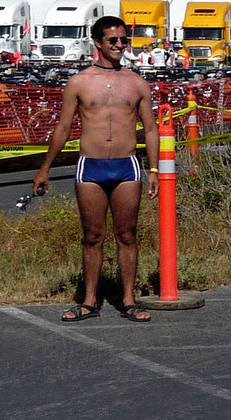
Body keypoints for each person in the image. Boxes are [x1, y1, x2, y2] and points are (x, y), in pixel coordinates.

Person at [33, 16, 160, 323]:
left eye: (123, 40)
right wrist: (45, 168)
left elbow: (152, 129)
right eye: (113, 40)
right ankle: (90, 300)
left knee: (127, 234)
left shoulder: (136, 82)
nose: (119, 45)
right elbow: (63, 128)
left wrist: (154, 170)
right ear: (98, 43)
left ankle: (129, 299)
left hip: (126, 165)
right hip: (90, 166)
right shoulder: (79, 82)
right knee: (92, 236)